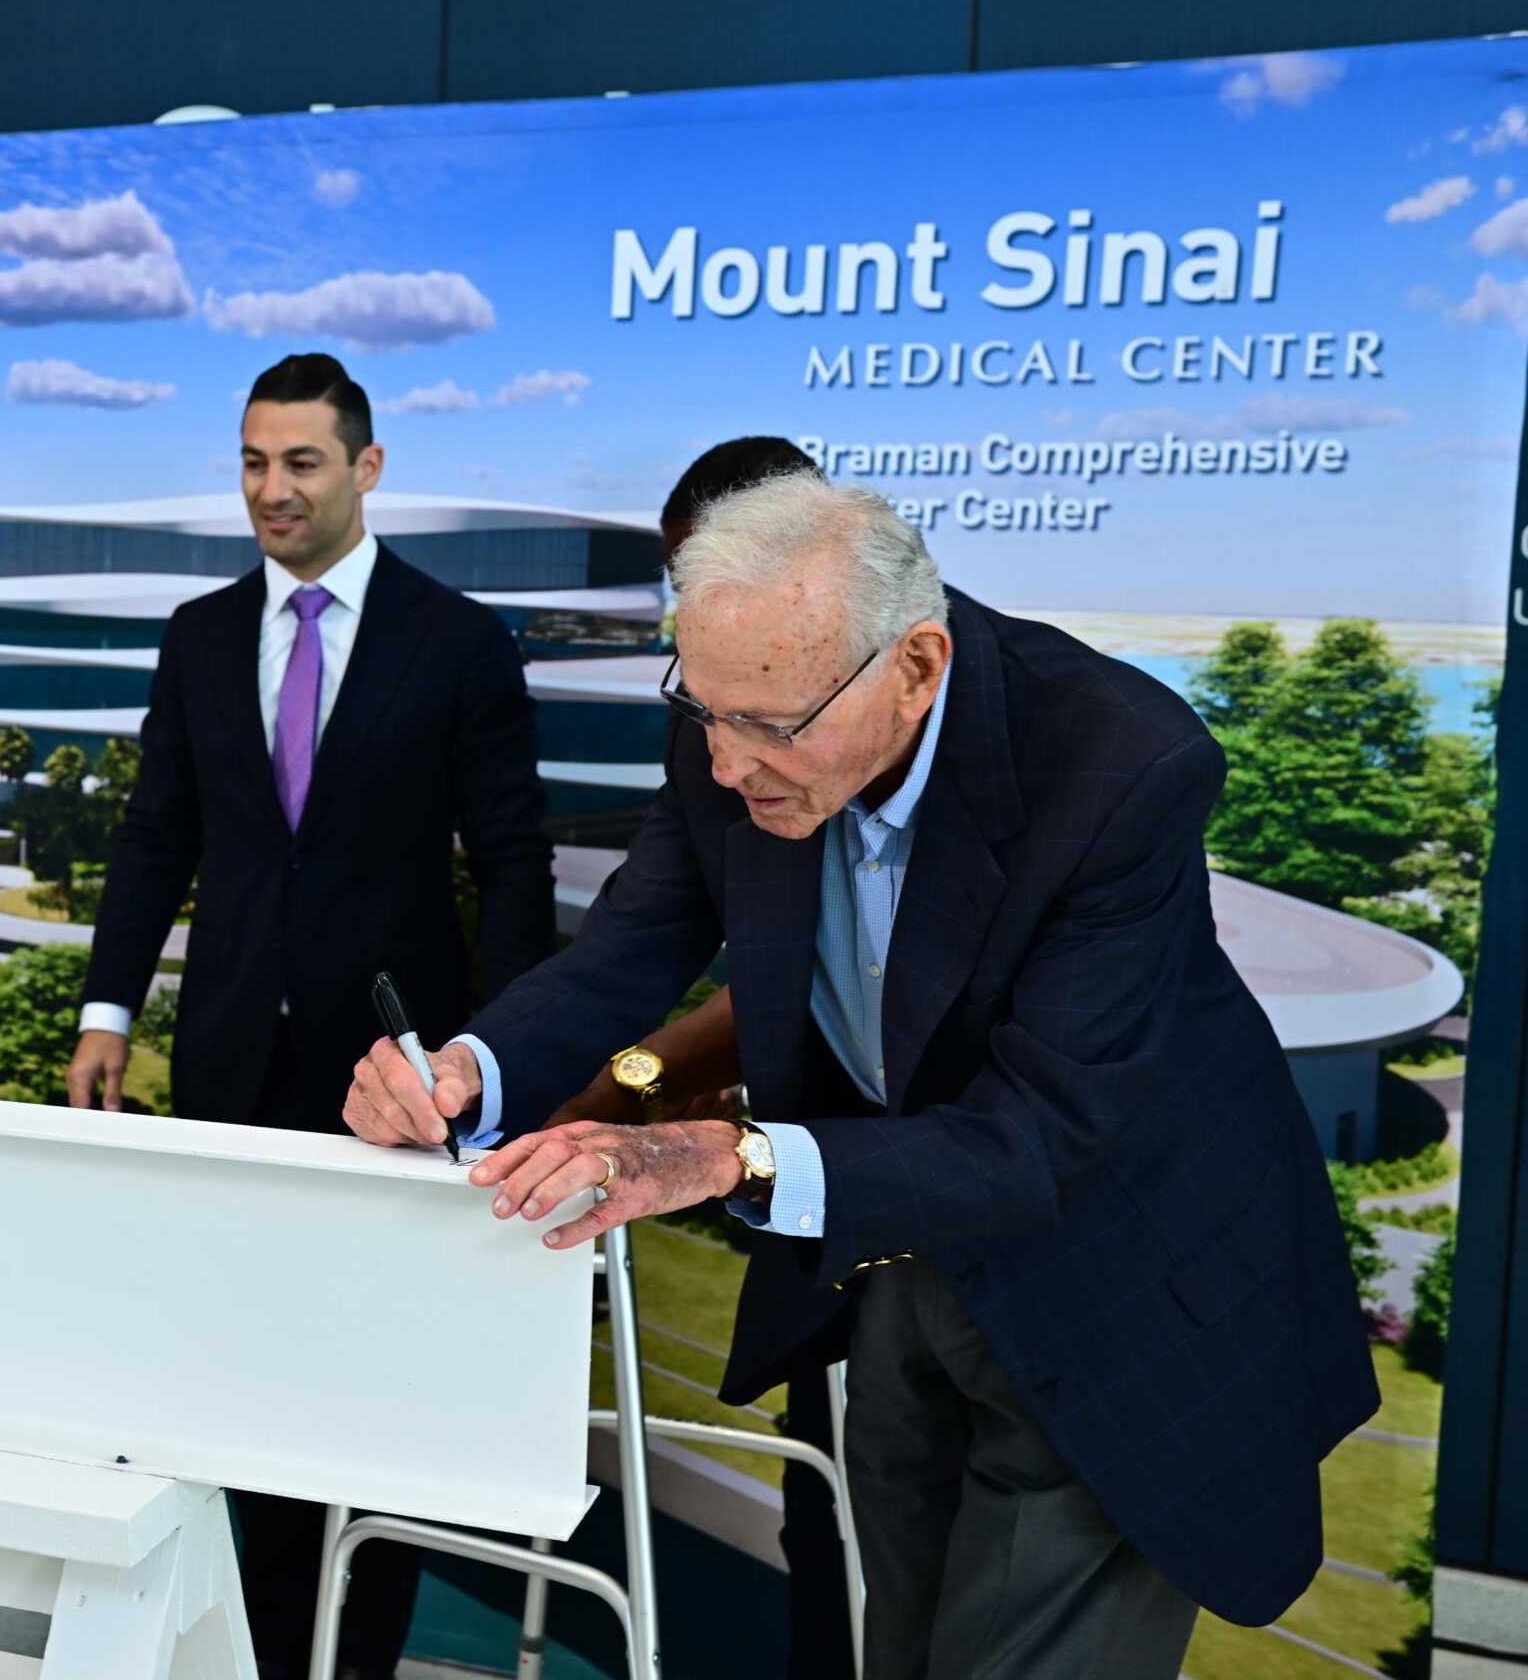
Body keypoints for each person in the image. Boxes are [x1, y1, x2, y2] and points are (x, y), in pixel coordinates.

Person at [341, 472, 1377, 1680]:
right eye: (703, 714)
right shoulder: (742, 716)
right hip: (901, 1259)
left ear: (916, 667)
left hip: (1117, 1279)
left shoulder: (1116, 765)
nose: (728, 766)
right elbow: (625, 955)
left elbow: (1039, 1135)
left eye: (770, 729)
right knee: (898, 1646)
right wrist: (464, 1070)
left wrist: (726, 1152)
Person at [66, 352, 555, 1680]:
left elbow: (513, 863)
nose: (270, 490)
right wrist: (109, 1005)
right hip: (224, 1062)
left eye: (299, 463)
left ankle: (352, 1657)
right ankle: (231, 1643)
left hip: (394, 1089)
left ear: (367, 468)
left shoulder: (457, 642)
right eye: (251, 461)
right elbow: (157, 833)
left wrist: (495, 1065)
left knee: (362, 1401)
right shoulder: (199, 632)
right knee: (222, 1378)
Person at [545, 435, 855, 1680]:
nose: (731, 740)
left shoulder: (1005, 744)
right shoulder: (707, 735)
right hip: (823, 1243)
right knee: (826, 1553)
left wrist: (636, 1103)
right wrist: (494, 1079)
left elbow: (831, 994)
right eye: (689, 599)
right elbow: (640, 941)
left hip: (986, 1238)